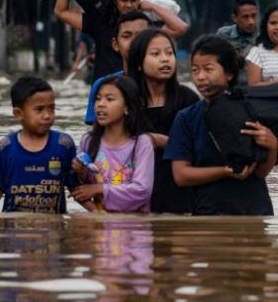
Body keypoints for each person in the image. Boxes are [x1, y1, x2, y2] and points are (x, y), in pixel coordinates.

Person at [165, 35, 278, 216]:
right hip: (208, 213)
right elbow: (181, 176)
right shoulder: (186, 118)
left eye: (208, 69)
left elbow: (261, 172)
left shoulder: (251, 109)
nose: (200, 77)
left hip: (255, 211)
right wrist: (224, 172)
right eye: (195, 70)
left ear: (229, 73)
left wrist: (273, 145)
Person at [54, 0, 189, 80]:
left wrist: (152, 7)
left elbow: (181, 28)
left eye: (133, 0)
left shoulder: (146, 27)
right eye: (124, 0)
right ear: (115, 1)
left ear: (139, 0)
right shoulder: (101, 23)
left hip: (136, 94)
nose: (129, 5)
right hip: (106, 96)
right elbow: (61, 12)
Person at [0, 76, 77, 214]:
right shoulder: (6, 147)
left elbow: (75, 187)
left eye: (52, 108)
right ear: (18, 114)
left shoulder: (64, 145)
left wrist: (97, 212)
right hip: (13, 230)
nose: (47, 115)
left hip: (54, 231)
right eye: (39, 110)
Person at [128, 28, 199, 213]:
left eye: (169, 53)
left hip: (180, 196)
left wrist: (164, 142)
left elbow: (200, 149)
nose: (165, 59)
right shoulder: (127, 102)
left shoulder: (188, 99)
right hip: (136, 197)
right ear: (138, 64)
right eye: (155, 54)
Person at [71, 76, 154, 212]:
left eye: (109, 99)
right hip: (98, 224)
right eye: (98, 98)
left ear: (127, 108)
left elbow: (143, 191)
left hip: (134, 226)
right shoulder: (88, 141)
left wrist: (100, 188)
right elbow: (79, 187)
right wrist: (80, 171)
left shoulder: (142, 143)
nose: (101, 104)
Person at [83, 11, 151, 125]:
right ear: (115, 44)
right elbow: (97, 135)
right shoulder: (103, 85)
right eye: (126, 36)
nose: (134, 42)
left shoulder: (162, 83)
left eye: (141, 36)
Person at [216, 0, 259, 86]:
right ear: (234, 18)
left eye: (253, 16)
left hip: (254, 88)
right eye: (245, 17)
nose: (251, 21)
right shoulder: (223, 35)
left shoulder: (263, 38)